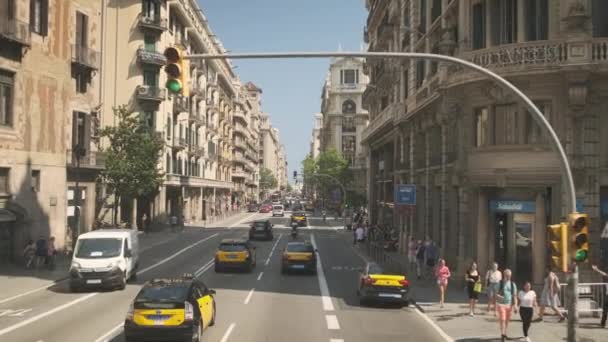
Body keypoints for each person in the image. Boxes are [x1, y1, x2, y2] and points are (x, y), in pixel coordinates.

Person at [496, 269, 518, 341]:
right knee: (503, 319)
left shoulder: (512, 284)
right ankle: (502, 335)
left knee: (507, 320)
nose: (508, 277)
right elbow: (495, 294)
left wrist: (515, 306)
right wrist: (499, 296)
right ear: (504, 275)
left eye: (510, 276)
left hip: (509, 305)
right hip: (501, 304)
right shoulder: (500, 283)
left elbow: (514, 296)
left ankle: (505, 333)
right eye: (507, 275)